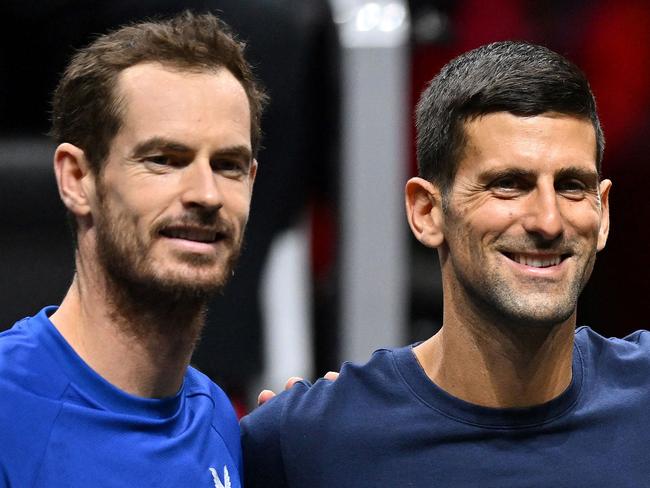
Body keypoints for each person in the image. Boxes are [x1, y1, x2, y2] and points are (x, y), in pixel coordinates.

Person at [241, 41, 650, 486]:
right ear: (427, 212)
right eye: (508, 184)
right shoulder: (309, 440)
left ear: (603, 212)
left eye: (572, 185)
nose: (548, 221)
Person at [0, 12, 266, 487]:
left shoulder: (218, 420)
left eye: (227, 165)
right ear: (78, 179)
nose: (205, 194)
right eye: (164, 160)